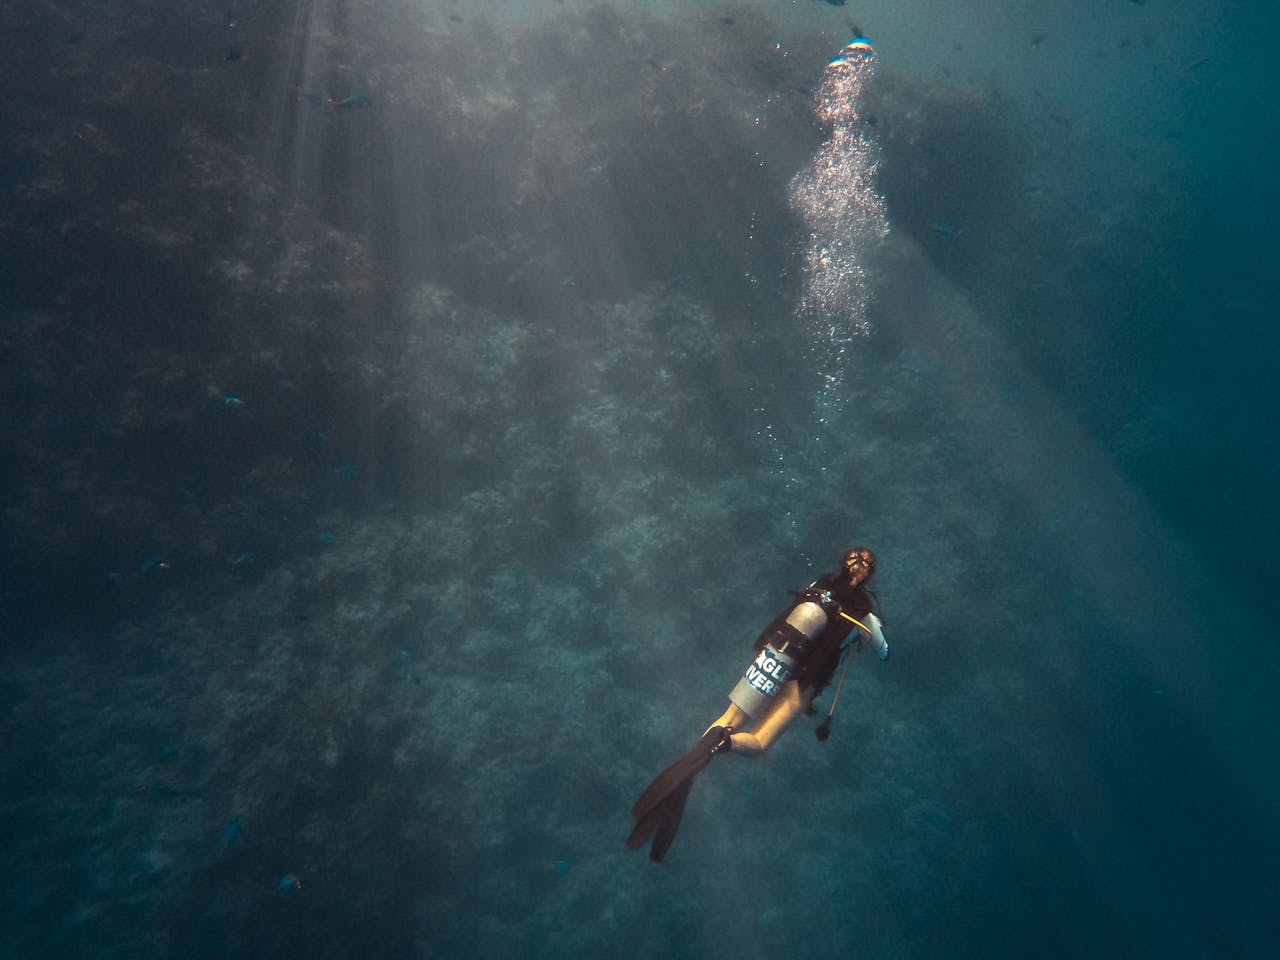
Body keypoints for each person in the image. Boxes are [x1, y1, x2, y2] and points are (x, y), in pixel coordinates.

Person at [626, 547, 888, 862]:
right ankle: (721, 745)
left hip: (780, 649)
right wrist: (871, 627)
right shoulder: (866, 612)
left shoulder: (823, 583)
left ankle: (704, 749)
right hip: (804, 683)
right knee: (760, 741)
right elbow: (884, 652)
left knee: (730, 716)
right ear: (870, 574)